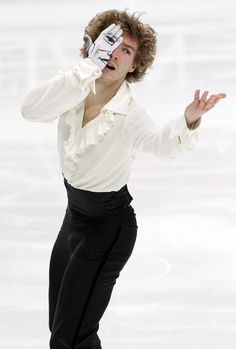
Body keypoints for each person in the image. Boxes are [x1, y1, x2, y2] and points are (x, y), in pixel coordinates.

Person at [20, 9, 226, 349]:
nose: (114, 54)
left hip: (108, 230)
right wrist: (87, 66)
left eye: (126, 51)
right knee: (62, 328)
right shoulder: (72, 87)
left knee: (70, 337)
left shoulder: (129, 115)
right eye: (110, 43)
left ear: (134, 66)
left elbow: (163, 144)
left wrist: (188, 119)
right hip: (73, 222)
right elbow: (30, 111)